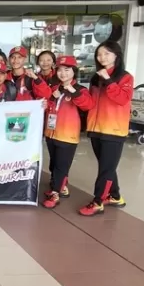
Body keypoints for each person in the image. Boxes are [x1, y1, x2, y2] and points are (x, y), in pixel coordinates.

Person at [80, 41, 133, 217]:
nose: (102, 57)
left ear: (116, 55)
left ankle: (98, 202)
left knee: (106, 169)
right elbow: (91, 102)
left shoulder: (125, 77)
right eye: (99, 54)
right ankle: (115, 196)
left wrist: (109, 80)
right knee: (107, 166)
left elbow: (122, 99)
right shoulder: (95, 78)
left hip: (114, 130)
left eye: (106, 54)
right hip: (96, 128)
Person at [42, 55, 94, 209]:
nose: (63, 73)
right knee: (54, 163)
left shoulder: (80, 90)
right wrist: (49, 100)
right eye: (59, 70)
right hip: (51, 132)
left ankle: (56, 193)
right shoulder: (55, 88)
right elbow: (50, 106)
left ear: (74, 71)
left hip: (68, 135)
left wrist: (73, 92)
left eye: (67, 70)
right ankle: (58, 187)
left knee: (61, 166)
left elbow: (87, 105)